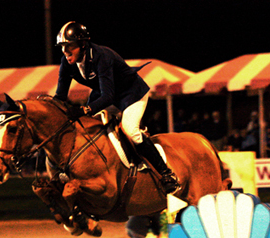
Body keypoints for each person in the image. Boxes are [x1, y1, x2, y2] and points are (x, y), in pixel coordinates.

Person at [53, 21, 179, 194]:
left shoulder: (101, 56)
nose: (65, 52)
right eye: (62, 47)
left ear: (83, 44)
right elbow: (60, 96)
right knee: (85, 127)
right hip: (105, 96)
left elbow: (108, 96)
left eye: (69, 47)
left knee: (129, 130)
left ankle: (166, 173)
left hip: (131, 94)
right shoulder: (66, 62)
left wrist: (85, 110)